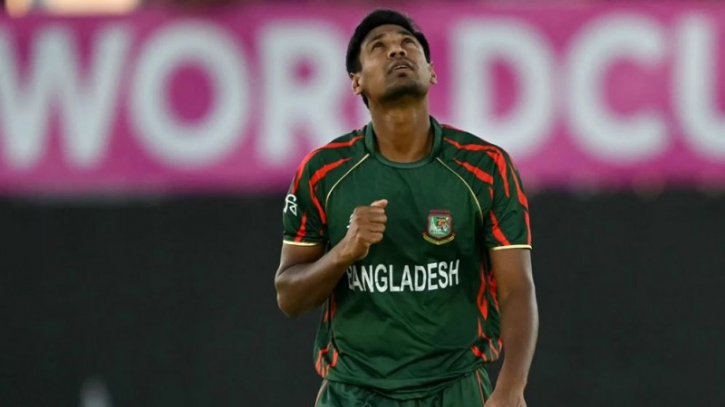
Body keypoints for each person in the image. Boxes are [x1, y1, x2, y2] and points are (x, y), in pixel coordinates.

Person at [275, 9, 538, 407]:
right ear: (356, 81)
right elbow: (289, 297)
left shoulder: (485, 166)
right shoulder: (323, 172)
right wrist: (344, 252)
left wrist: (511, 388)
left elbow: (517, 287)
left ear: (431, 72)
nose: (397, 51)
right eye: (378, 47)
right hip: (354, 392)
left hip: (455, 388)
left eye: (408, 44)